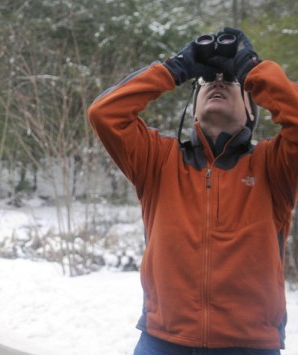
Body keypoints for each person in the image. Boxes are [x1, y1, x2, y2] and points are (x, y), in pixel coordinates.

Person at [88, 27, 298, 353]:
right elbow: (104, 113)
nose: (217, 83)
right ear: (194, 108)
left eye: (230, 82)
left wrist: (252, 70)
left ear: (251, 110)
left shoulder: (274, 165)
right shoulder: (159, 161)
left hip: (250, 344)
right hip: (163, 339)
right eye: (206, 83)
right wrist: (175, 69)